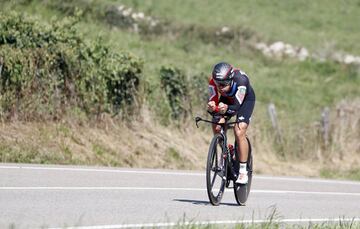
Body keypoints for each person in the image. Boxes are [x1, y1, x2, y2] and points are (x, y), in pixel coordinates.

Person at [207, 62, 256, 184]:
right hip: (227, 101)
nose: (220, 87)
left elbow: (236, 107)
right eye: (218, 84)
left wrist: (226, 108)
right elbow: (213, 102)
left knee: (239, 130)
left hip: (244, 101)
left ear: (230, 79)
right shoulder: (213, 82)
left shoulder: (241, 81)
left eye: (223, 84)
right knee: (217, 126)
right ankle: (225, 152)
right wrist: (212, 107)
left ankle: (243, 171)